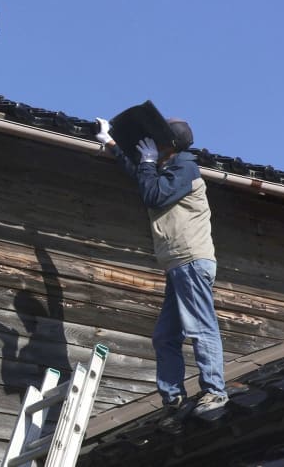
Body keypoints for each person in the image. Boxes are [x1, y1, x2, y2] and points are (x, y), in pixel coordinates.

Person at [95, 116, 228, 418]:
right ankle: (174, 398)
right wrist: (113, 145)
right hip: (178, 264)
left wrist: (146, 162)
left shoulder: (185, 168)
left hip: (191, 261)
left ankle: (215, 392)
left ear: (170, 145)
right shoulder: (169, 170)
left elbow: (151, 193)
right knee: (165, 336)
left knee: (200, 327)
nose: (152, 142)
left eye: (158, 139)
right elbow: (145, 180)